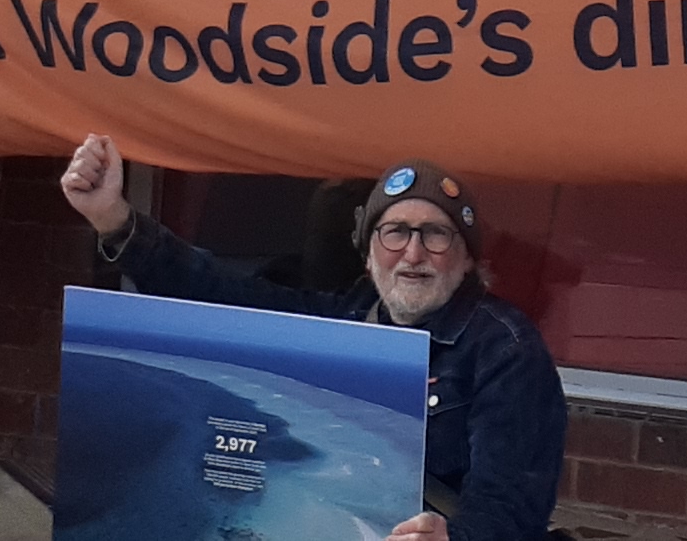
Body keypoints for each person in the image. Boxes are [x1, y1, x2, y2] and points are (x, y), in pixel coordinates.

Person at [58, 135, 565, 541]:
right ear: (368, 255)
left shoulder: (506, 350)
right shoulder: (340, 322)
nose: (413, 254)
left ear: (468, 257)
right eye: (395, 232)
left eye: (436, 234)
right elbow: (221, 299)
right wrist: (113, 219)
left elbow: (513, 507)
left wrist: (455, 537)